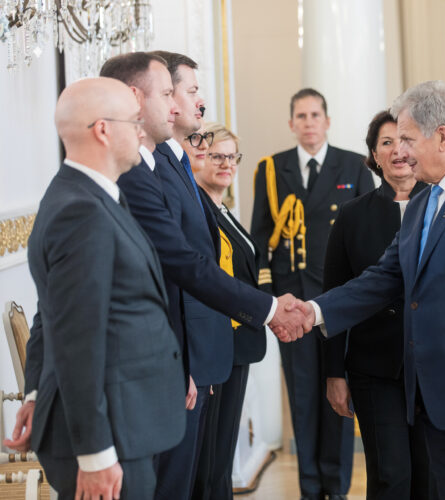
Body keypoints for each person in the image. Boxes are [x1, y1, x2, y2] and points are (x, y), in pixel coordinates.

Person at [290, 80, 445, 500]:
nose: (400, 152)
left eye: (408, 139)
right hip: (434, 402)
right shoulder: (425, 202)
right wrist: (313, 311)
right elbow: (385, 277)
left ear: (442, 136)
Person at [100, 51, 308, 500]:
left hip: (187, 357)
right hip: (166, 361)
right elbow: (180, 265)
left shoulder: (165, 164)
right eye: (176, 93)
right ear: (139, 100)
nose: (182, 105)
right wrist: (269, 309)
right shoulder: (137, 173)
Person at [4, 77, 186, 499]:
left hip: (126, 423)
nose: (143, 132)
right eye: (135, 121)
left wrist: (34, 391)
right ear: (103, 129)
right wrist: (95, 453)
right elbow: (77, 341)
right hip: (109, 436)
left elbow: (50, 316)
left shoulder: (90, 195)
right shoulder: (81, 210)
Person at [251, 88, 374, 500]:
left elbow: (366, 235)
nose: (308, 122)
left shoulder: (354, 166)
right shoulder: (272, 169)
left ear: (327, 120)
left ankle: (336, 488)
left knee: (338, 392)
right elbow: (261, 237)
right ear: (291, 124)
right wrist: (270, 297)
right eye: (300, 116)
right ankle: (309, 488)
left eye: (315, 114)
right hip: (293, 304)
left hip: (338, 302)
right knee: (303, 397)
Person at [322, 110, 433, 500]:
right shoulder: (352, 215)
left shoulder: (443, 206)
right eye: (387, 143)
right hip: (374, 367)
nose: (398, 151)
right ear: (373, 154)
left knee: (431, 479)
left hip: (435, 366)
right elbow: (335, 292)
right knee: (391, 477)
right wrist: (334, 373)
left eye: (405, 141)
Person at [188, 121, 267, 499]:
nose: (225, 164)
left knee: (221, 454)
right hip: (216, 348)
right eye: (216, 156)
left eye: (231, 156)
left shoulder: (223, 209)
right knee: (211, 460)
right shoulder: (199, 212)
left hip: (235, 346)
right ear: (199, 158)